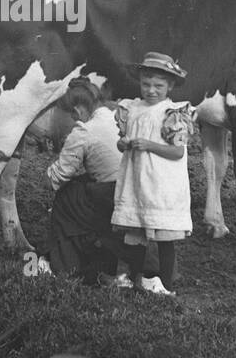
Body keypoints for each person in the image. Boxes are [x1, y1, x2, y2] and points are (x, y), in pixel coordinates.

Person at [109, 52, 198, 296]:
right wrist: (124, 144)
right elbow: (119, 143)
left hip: (161, 183)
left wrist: (149, 146)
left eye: (158, 86)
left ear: (170, 86)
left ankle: (166, 284)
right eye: (146, 84)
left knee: (163, 236)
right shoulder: (131, 109)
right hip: (137, 180)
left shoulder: (172, 113)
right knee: (136, 230)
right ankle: (137, 277)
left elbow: (178, 152)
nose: (151, 90)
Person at [40, 79, 123, 282]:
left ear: (78, 111)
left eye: (72, 115)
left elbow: (55, 180)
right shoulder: (116, 115)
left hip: (111, 196)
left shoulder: (84, 131)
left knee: (65, 198)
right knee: (83, 185)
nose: (72, 119)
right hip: (130, 188)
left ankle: (64, 263)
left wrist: (53, 163)